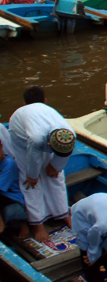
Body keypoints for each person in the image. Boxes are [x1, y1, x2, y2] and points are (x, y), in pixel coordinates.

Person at [8, 102, 75, 242]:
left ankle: (62, 213)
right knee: (30, 182)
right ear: (49, 144)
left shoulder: (69, 134)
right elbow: (33, 157)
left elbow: (65, 152)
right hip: (21, 136)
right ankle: (37, 223)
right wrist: (32, 175)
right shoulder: (36, 138)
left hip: (45, 133)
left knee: (55, 176)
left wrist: (56, 166)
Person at [0, 138, 27, 238]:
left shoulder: (9, 164)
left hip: (13, 200)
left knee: (12, 213)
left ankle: (22, 225)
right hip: (3, 200)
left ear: (1, 147)